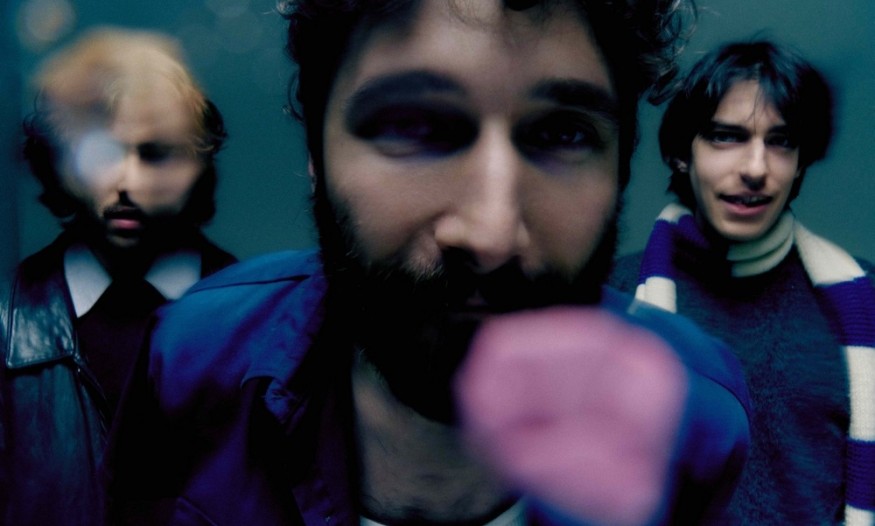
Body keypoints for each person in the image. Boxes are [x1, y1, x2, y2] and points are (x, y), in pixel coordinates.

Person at [105, 2, 752, 525]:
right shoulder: (190, 361)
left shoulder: (695, 416)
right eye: (412, 126)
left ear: (621, 168)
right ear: (315, 153)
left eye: (562, 133)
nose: (490, 233)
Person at [610, 39, 875, 525]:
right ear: (682, 155)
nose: (756, 169)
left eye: (781, 142)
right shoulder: (618, 299)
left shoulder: (865, 302)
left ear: (801, 161)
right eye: (726, 137)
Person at [0, 27, 236, 526]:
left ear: (196, 164)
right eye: (101, 153)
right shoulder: (7, 322)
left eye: (155, 153)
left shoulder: (259, 318)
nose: (127, 182)